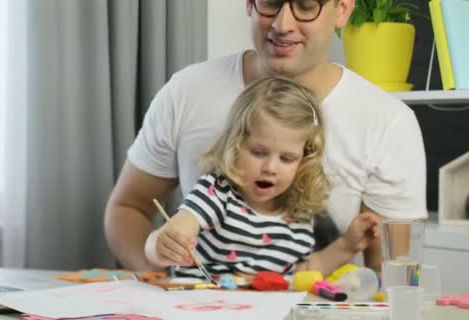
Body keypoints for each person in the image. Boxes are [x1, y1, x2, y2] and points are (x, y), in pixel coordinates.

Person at [104, 0, 427, 272]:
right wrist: (164, 283)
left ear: (342, 10)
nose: (283, 23)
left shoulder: (389, 121)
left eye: (305, 6)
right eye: (271, 2)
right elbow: (128, 208)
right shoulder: (187, 91)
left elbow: (395, 272)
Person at [143, 76, 379, 278]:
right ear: (235, 146)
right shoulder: (216, 193)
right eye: (258, 152)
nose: (270, 168)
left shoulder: (300, 215)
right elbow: (178, 229)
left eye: (286, 158)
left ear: (304, 161)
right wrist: (163, 245)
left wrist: (348, 245)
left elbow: (305, 271)